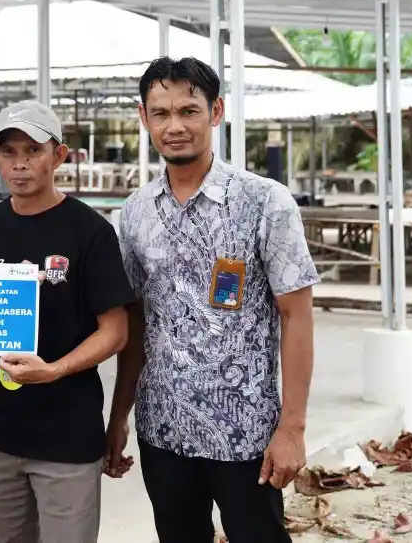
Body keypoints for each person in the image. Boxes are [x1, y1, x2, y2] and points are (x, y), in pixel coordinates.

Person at [107, 56, 319, 543]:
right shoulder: (136, 212)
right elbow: (136, 325)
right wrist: (119, 418)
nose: (174, 126)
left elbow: (297, 316)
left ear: (216, 111)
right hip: (162, 428)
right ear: (144, 118)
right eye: (160, 113)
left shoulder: (264, 202)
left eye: (188, 110)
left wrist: (292, 428)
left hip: (245, 433)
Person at [0, 99, 133, 543]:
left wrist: (52, 370)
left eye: (33, 151)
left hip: (66, 436)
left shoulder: (90, 232)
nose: (20, 164)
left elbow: (116, 331)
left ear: (59, 156)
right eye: (8, 152)